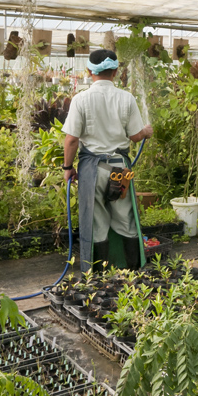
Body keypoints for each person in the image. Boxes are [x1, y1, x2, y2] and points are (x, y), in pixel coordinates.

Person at [61, 49, 153, 272]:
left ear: (89, 71)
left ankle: (98, 277)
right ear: (115, 72)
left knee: (97, 221)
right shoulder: (126, 98)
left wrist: (67, 168)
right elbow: (135, 136)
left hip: (92, 169)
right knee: (126, 218)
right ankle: (133, 273)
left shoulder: (81, 99)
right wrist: (146, 132)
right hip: (121, 168)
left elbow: (72, 140)